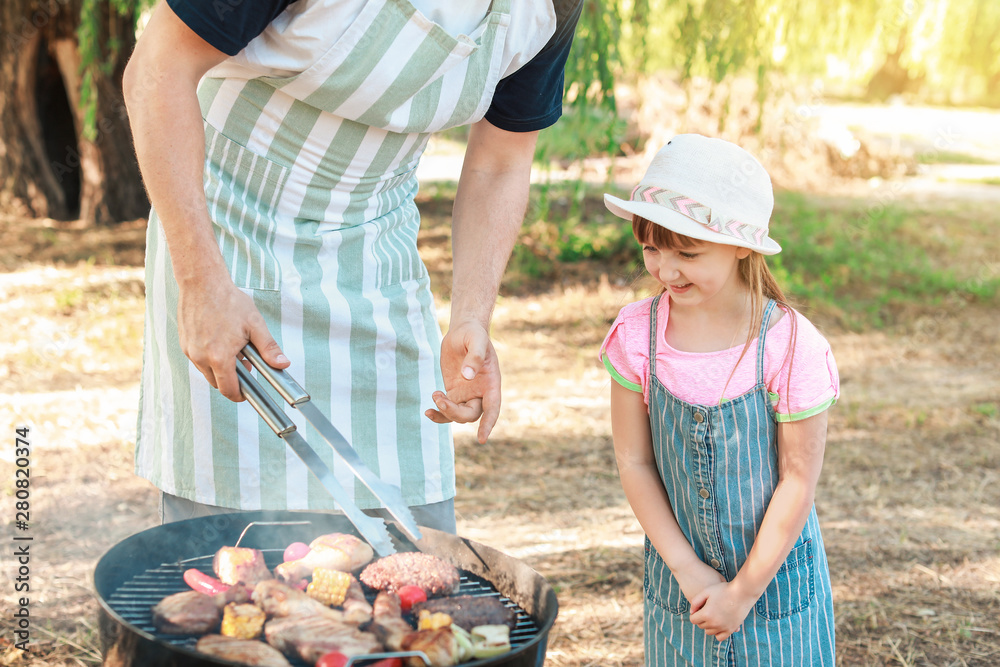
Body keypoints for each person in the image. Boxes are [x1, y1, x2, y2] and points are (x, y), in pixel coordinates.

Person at [122, 0, 582, 531]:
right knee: (232, 545)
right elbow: (157, 69)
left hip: (374, 256)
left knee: (410, 541)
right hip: (226, 239)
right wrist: (201, 282)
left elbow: (500, 161)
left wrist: (471, 316)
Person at [600, 134, 838, 664]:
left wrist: (744, 591)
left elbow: (798, 480)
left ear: (741, 246)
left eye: (688, 252)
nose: (665, 269)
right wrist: (687, 568)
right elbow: (633, 460)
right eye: (652, 247)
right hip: (679, 588)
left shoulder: (790, 344)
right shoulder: (636, 334)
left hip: (773, 590)